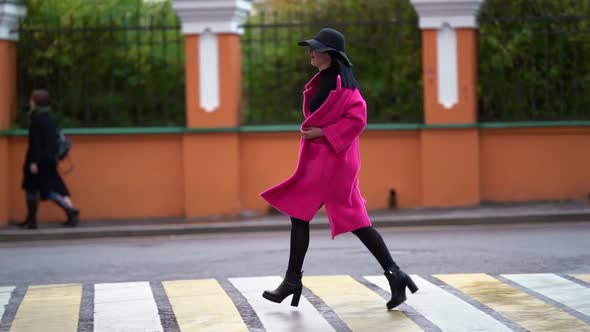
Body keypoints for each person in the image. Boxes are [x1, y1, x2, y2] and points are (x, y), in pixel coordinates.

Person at [260, 28, 418, 310]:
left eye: (316, 48)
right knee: (351, 220)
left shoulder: (344, 86)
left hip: (334, 162)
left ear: (330, 54)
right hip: (325, 161)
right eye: (311, 47)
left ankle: (293, 281)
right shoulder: (322, 80)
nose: (311, 52)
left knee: (306, 212)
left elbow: (358, 119)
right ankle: (396, 275)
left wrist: (322, 132)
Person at [18, 89, 79, 229]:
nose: (30, 102)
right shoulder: (50, 118)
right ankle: (68, 211)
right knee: (47, 188)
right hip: (49, 159)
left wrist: (34, 161)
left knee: (32, 189)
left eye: (32, 99)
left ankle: (33, 221)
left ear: (36, 102)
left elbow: (36, 143)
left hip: (37, 159)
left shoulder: (36, 120)